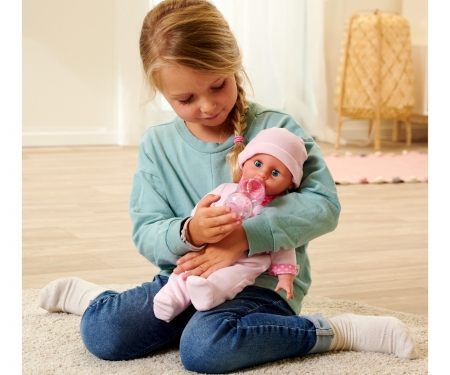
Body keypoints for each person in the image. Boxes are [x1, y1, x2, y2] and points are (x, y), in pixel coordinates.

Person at [37, 1, 418, 373]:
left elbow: (323, 205)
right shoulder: (157, 144)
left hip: (261, 287)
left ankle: (336, 332)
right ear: (162, 93)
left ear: (233, 64)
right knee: (103, 332)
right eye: (185, 99)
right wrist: (189, 232)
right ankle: (98, 300)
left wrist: (244, 237)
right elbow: (146, 229)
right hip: (185, 279)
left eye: (217, 86)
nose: (206, 106)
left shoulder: (277, 132)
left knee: (205, 350)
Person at [153, 127, 307, 322]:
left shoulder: (277, 211)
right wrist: (200, 222)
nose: (262, 175)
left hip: (249, 260)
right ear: (244, 163)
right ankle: (171, 298)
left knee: (232, 277)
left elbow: (283, 245)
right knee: (188, 267)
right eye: (258, 164)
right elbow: (202, 209)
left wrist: (286, 277)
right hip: (211, 247)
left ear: (290, 184)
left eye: (275, 172)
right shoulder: (225, 190)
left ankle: (210, 293)